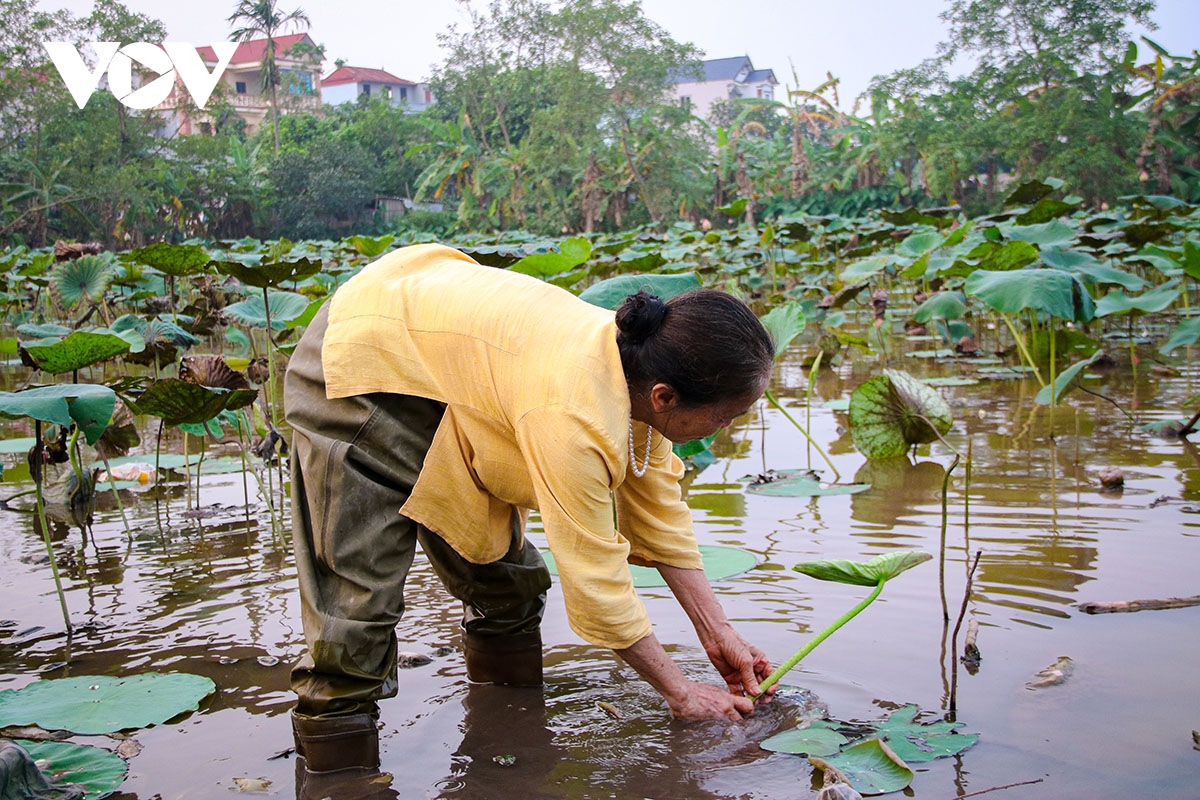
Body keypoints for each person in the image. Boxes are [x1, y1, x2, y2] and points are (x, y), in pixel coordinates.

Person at [283, 243, 777, 778]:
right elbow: (596, 582)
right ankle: (340, 781)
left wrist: (717, 632)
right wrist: (681, 694)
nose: (727, 429)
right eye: (726, 416)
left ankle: (507, 745)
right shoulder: (572, 413)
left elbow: (660, 515)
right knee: (354, 628)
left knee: (510, 589)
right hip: (364, 356)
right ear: (665, 397)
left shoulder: (641, 370)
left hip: (447, 362)